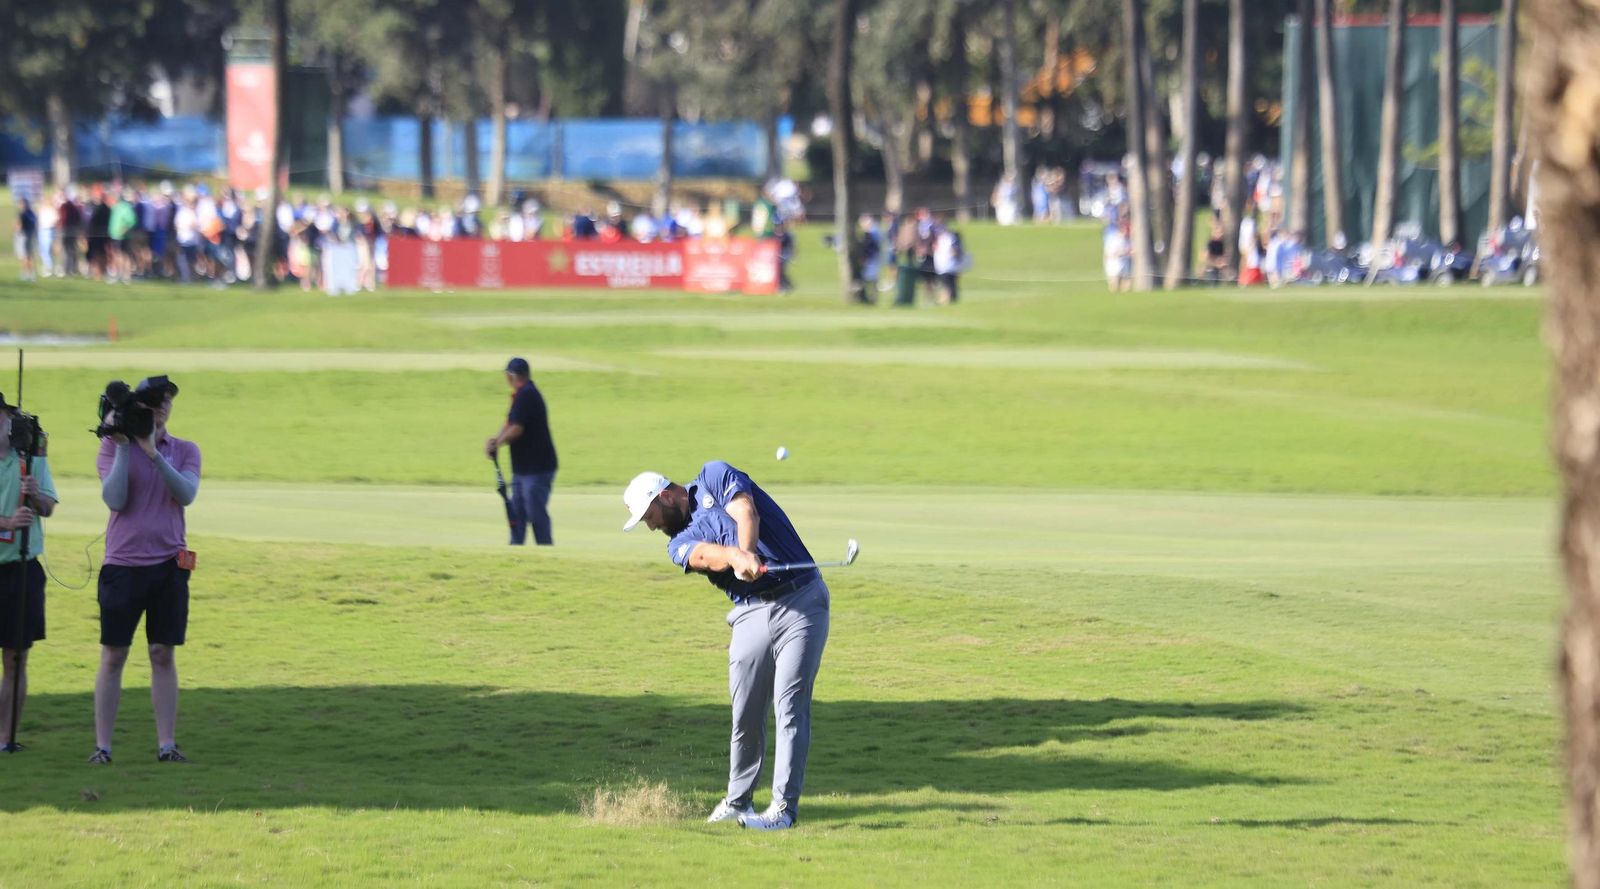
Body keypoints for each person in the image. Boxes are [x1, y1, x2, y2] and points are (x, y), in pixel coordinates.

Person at [621, 461, 830, 831]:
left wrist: (746, 551)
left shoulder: (714, 476)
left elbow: (745, 511)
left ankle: (783, 810)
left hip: (801, 600)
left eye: (649, 515)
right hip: (749, 613)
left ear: (664, 495)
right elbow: (704, 554)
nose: (650, 525)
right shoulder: (676, 544)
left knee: (789, 706)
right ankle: (738, 801)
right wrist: (736, 558)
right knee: (746, 711)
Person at [93, 375, 201, 764]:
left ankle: (166, 745)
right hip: (122, 565)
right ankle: (102, 747)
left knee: (162, 653)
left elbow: (186, 495)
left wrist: (155, 453)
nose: (161, 409)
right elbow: (116, 500)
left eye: (166, 403)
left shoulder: (185, 450)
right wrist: (126, 447)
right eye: (153, 403)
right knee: (113, 655)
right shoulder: (111, 446)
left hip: (169, 567)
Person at [0, 393, 58, 752]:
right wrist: (7, 522)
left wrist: (34, 496)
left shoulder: (30, 458)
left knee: (16, 656)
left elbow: (48, 507)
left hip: (22, 569)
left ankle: (6, 737)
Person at [485, 358, 557, 546]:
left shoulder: (527, 395)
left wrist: (497, 443)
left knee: (534, 511)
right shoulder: (522, 395)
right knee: (517, 511)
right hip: (524, 469)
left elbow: (517, 429)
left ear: (510, 376)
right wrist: (496, 440)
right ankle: (516, 549)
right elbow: (509, 423)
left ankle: (545, 549)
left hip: (537, 468)